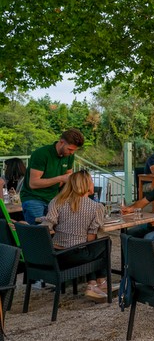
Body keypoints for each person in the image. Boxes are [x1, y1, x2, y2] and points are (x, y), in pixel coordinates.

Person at [40, 170, 108, 302]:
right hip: (76, 256)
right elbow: (90, 240)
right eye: (92, 181)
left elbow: (47, 226)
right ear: (87, 185)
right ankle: (99, 283)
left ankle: (95, 283)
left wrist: (27, 225)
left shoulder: (56, 201)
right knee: (105, 243)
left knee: (92, 248)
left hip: (57, 255)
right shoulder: (96, 207)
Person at [20, 128, 85, 225]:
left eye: (74, 150)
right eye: (70, 149)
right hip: (34, 198)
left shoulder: (69, 156)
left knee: (57, 231)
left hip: (54, 199)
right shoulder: (41, 154)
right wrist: (60, 178)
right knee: (38, 233)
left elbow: (68, 177)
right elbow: (33, 183)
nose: (71, 152)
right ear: (61, 142)